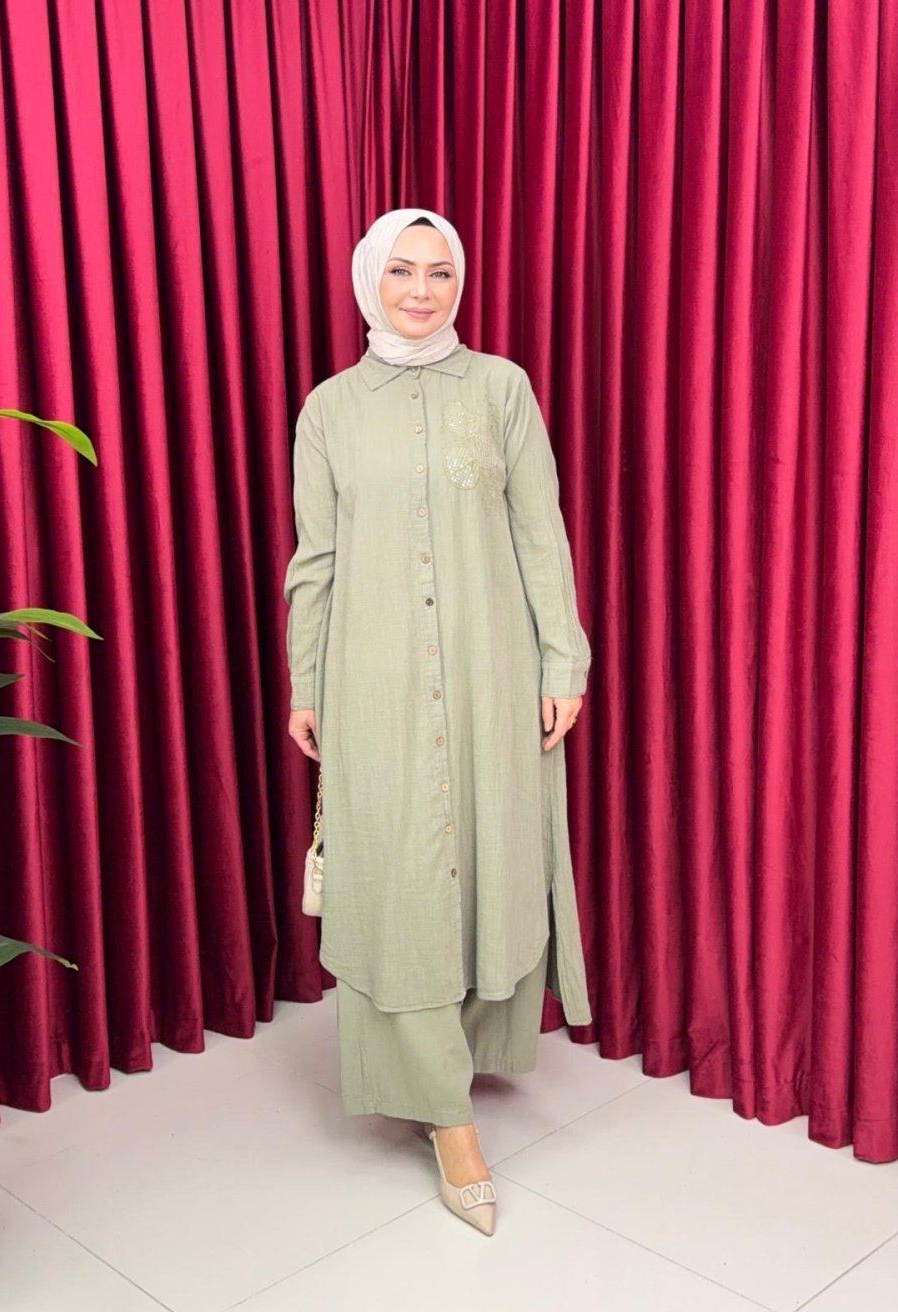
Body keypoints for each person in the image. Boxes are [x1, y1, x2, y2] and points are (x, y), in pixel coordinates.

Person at [283, 206, 592, 1235]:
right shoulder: (330, 409)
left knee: (485, 867)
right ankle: (448, 1117)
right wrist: (306, 681)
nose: (421, 291)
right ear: (370, 280)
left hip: (493, 667)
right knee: (401, 883)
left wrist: (564, 658)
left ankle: (450, 1059)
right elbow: (316, 558)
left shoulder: (501, 389)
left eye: (440, 272)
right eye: (402, 271)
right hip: (371, 674)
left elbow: (539, 531)